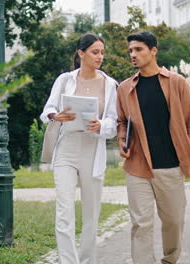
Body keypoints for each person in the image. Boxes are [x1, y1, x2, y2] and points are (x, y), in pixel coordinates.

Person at [116, 31, 190, 264]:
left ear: (153, 51)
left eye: (138, 49)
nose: (133, 54)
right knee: (141, 223)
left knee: (173, 221)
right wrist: (122, 140)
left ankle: (170, 260)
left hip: (170, 165)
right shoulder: (125, 88)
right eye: (131, 50)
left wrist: (186, 152)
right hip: (137, 166)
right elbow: (122, 122)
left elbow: (189, 122)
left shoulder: (177, 82)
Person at [40, 33, 118, 264]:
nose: (100, 56)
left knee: (91, 215)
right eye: (95, 52)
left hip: (93, 150)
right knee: (64, 212)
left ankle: (86, 261)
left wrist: (101, 125)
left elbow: (113, 122)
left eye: (102, 52)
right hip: (66, 148)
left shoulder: (110, 84)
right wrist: (57, 115)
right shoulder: (64, 80)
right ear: (81, 53)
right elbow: (48, 110)